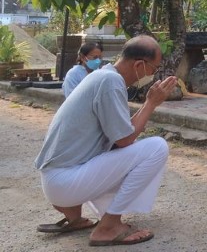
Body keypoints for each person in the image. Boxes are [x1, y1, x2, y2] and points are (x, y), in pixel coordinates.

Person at [35, 35, 177, 246]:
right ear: (139, 65)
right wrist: (151, 104)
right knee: (157, 147)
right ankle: (108, 227)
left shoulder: (102, 76)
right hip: (65, 182)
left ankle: (74, 215)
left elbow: (121, 134)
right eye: (154, 69)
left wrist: (148, 103)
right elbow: (125, 140)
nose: (153, 74)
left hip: (56, 182)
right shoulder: (110, 81)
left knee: (116, 151)